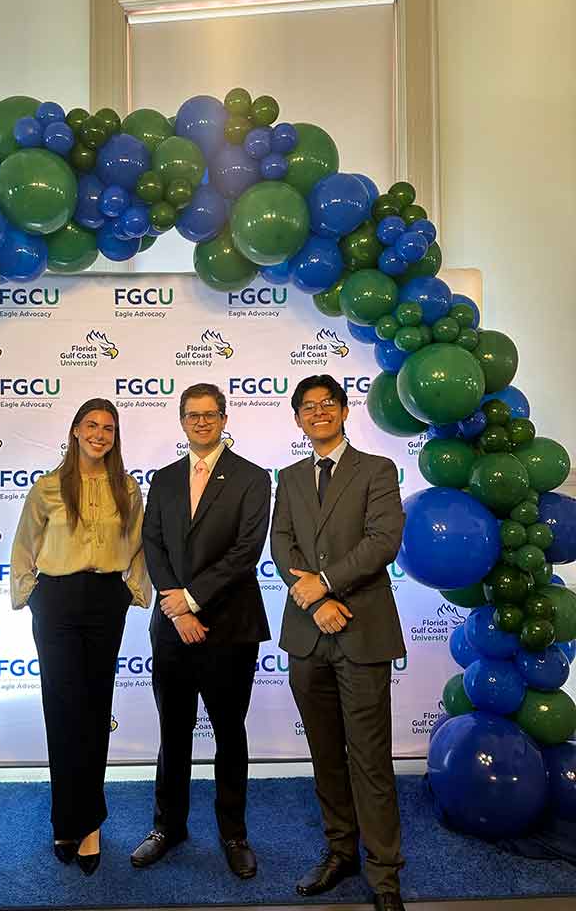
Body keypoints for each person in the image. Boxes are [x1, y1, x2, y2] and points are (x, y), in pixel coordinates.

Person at [271, 374, 406, 911]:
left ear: (345, 410)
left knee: (369, 758)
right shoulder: (290, 477)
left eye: (327, 403)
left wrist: (326, 584)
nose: (318, 412)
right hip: (308, 635)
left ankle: (385, 874)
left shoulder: (377, 470)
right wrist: (314, 602)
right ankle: (340, 851)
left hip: (362, 631)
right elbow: (282, 544)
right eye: (307, 407)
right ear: (297, 419)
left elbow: (383, 541)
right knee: (325, 754)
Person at [130, 383, 270, 879]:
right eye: (193, 415)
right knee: (173, 732)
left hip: (230, 627)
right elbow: (152, 544)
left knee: (230, 733)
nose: (202, 422)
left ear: (225, 419)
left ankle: (234, 834)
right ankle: (168, 827)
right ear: (182, 420)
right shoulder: (165, 479)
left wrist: (191, 600)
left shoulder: (252, 478)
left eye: (211, 414)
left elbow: (246, 551)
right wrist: (177, 607)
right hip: (172, 627)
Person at [10, 398, 151, 876]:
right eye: (91, 425)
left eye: (108, 428)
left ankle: (89, 825)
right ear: (75, 430)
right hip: (57, 603)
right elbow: (24, 545)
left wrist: (130, 592)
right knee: (63, 711)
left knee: (94, 710)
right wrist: (32, 594)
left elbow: (140, 546)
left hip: (105, 600)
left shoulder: (127, 488)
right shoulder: (48, 487)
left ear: (115, 436)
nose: (99, 434)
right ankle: (65, 821)